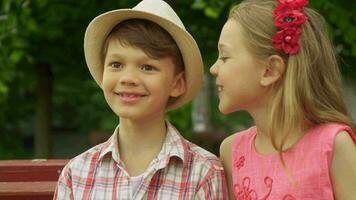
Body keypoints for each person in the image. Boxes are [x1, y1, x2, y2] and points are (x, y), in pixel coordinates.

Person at [54, 0, 228, 199]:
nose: (128, 78)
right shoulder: (77, 174)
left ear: (176, 84)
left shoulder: (203, 173)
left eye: (147, 67)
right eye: (116, 64)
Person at [209, 0, 356, 199]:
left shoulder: (334, 145)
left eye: (224, 57)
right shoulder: (231, 151)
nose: (213, 68)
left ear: (270, 70)